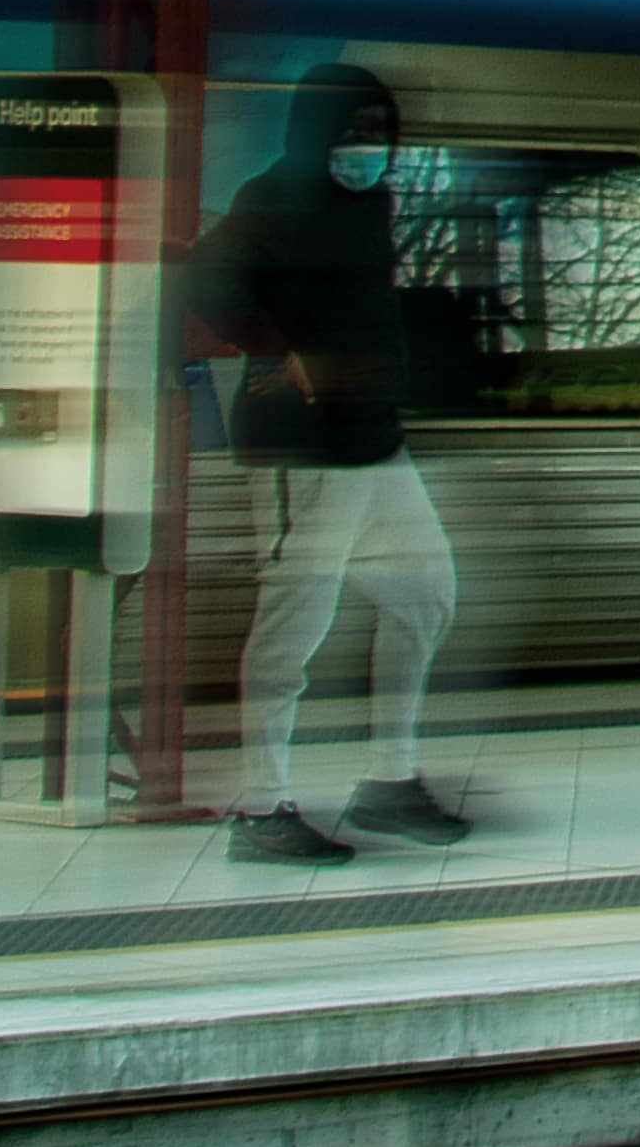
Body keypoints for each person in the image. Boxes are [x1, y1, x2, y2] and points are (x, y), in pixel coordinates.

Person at [188, 65, 469, 865]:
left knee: (428, 597)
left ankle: (388, 782)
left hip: (377, 446)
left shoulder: (367, 204)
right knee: (292, 633)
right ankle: (262, 808)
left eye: (379, 135)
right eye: (351, 136)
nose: (367, 150)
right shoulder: (271, 199)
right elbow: (200, 285)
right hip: (299, 448)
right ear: (316, 137)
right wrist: (282, 351)